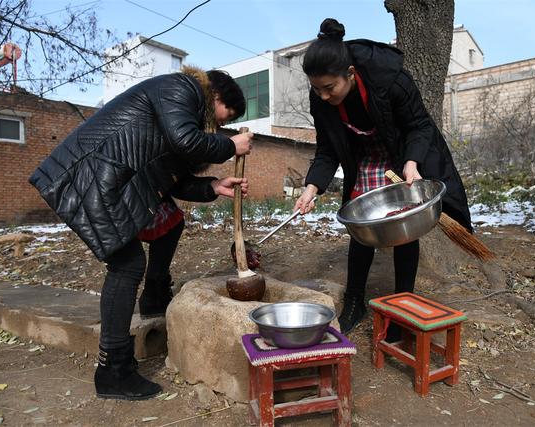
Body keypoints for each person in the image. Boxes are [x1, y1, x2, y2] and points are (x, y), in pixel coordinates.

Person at [29, 66, 253, 400]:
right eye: (224, 117)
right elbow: (185, 140)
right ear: (216, 96)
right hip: (91, 179)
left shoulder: (179, 110)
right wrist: (228, 145)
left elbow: (171, 176)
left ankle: (144, 315)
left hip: (108, 183)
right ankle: (114, 371)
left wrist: (213, 186)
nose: (221, 126)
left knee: (154, 239)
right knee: (127, 265)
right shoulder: (182, 87)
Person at [294, 19, 472, 336]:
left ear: (350, 74)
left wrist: (413, 164)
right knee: (362, 223)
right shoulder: (321, 99)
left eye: (329, 88)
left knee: (405, 224)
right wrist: (311, 188)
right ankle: (354, 300)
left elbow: (419, 125)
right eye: (316, 88)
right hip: (362, 155)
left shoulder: (388, 78)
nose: (322, 96)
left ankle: (403, 302)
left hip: (403, 151)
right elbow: (326, 149)